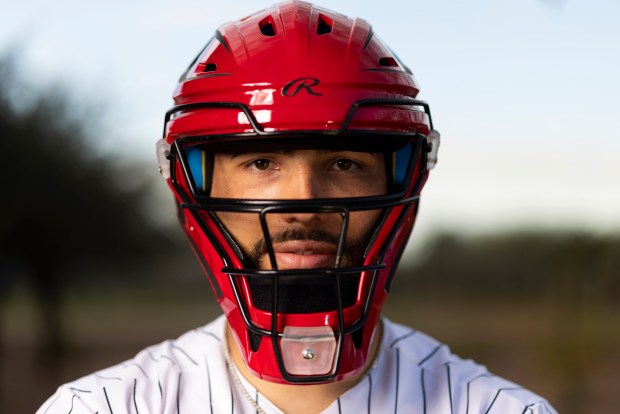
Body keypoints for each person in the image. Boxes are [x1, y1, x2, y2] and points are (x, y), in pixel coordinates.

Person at [38, 1, 557, 413]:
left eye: (346, 164)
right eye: (261, 162)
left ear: (404, 178)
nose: (303, 205)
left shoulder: (498, 409)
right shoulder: (103, 407)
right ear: (194, 183)